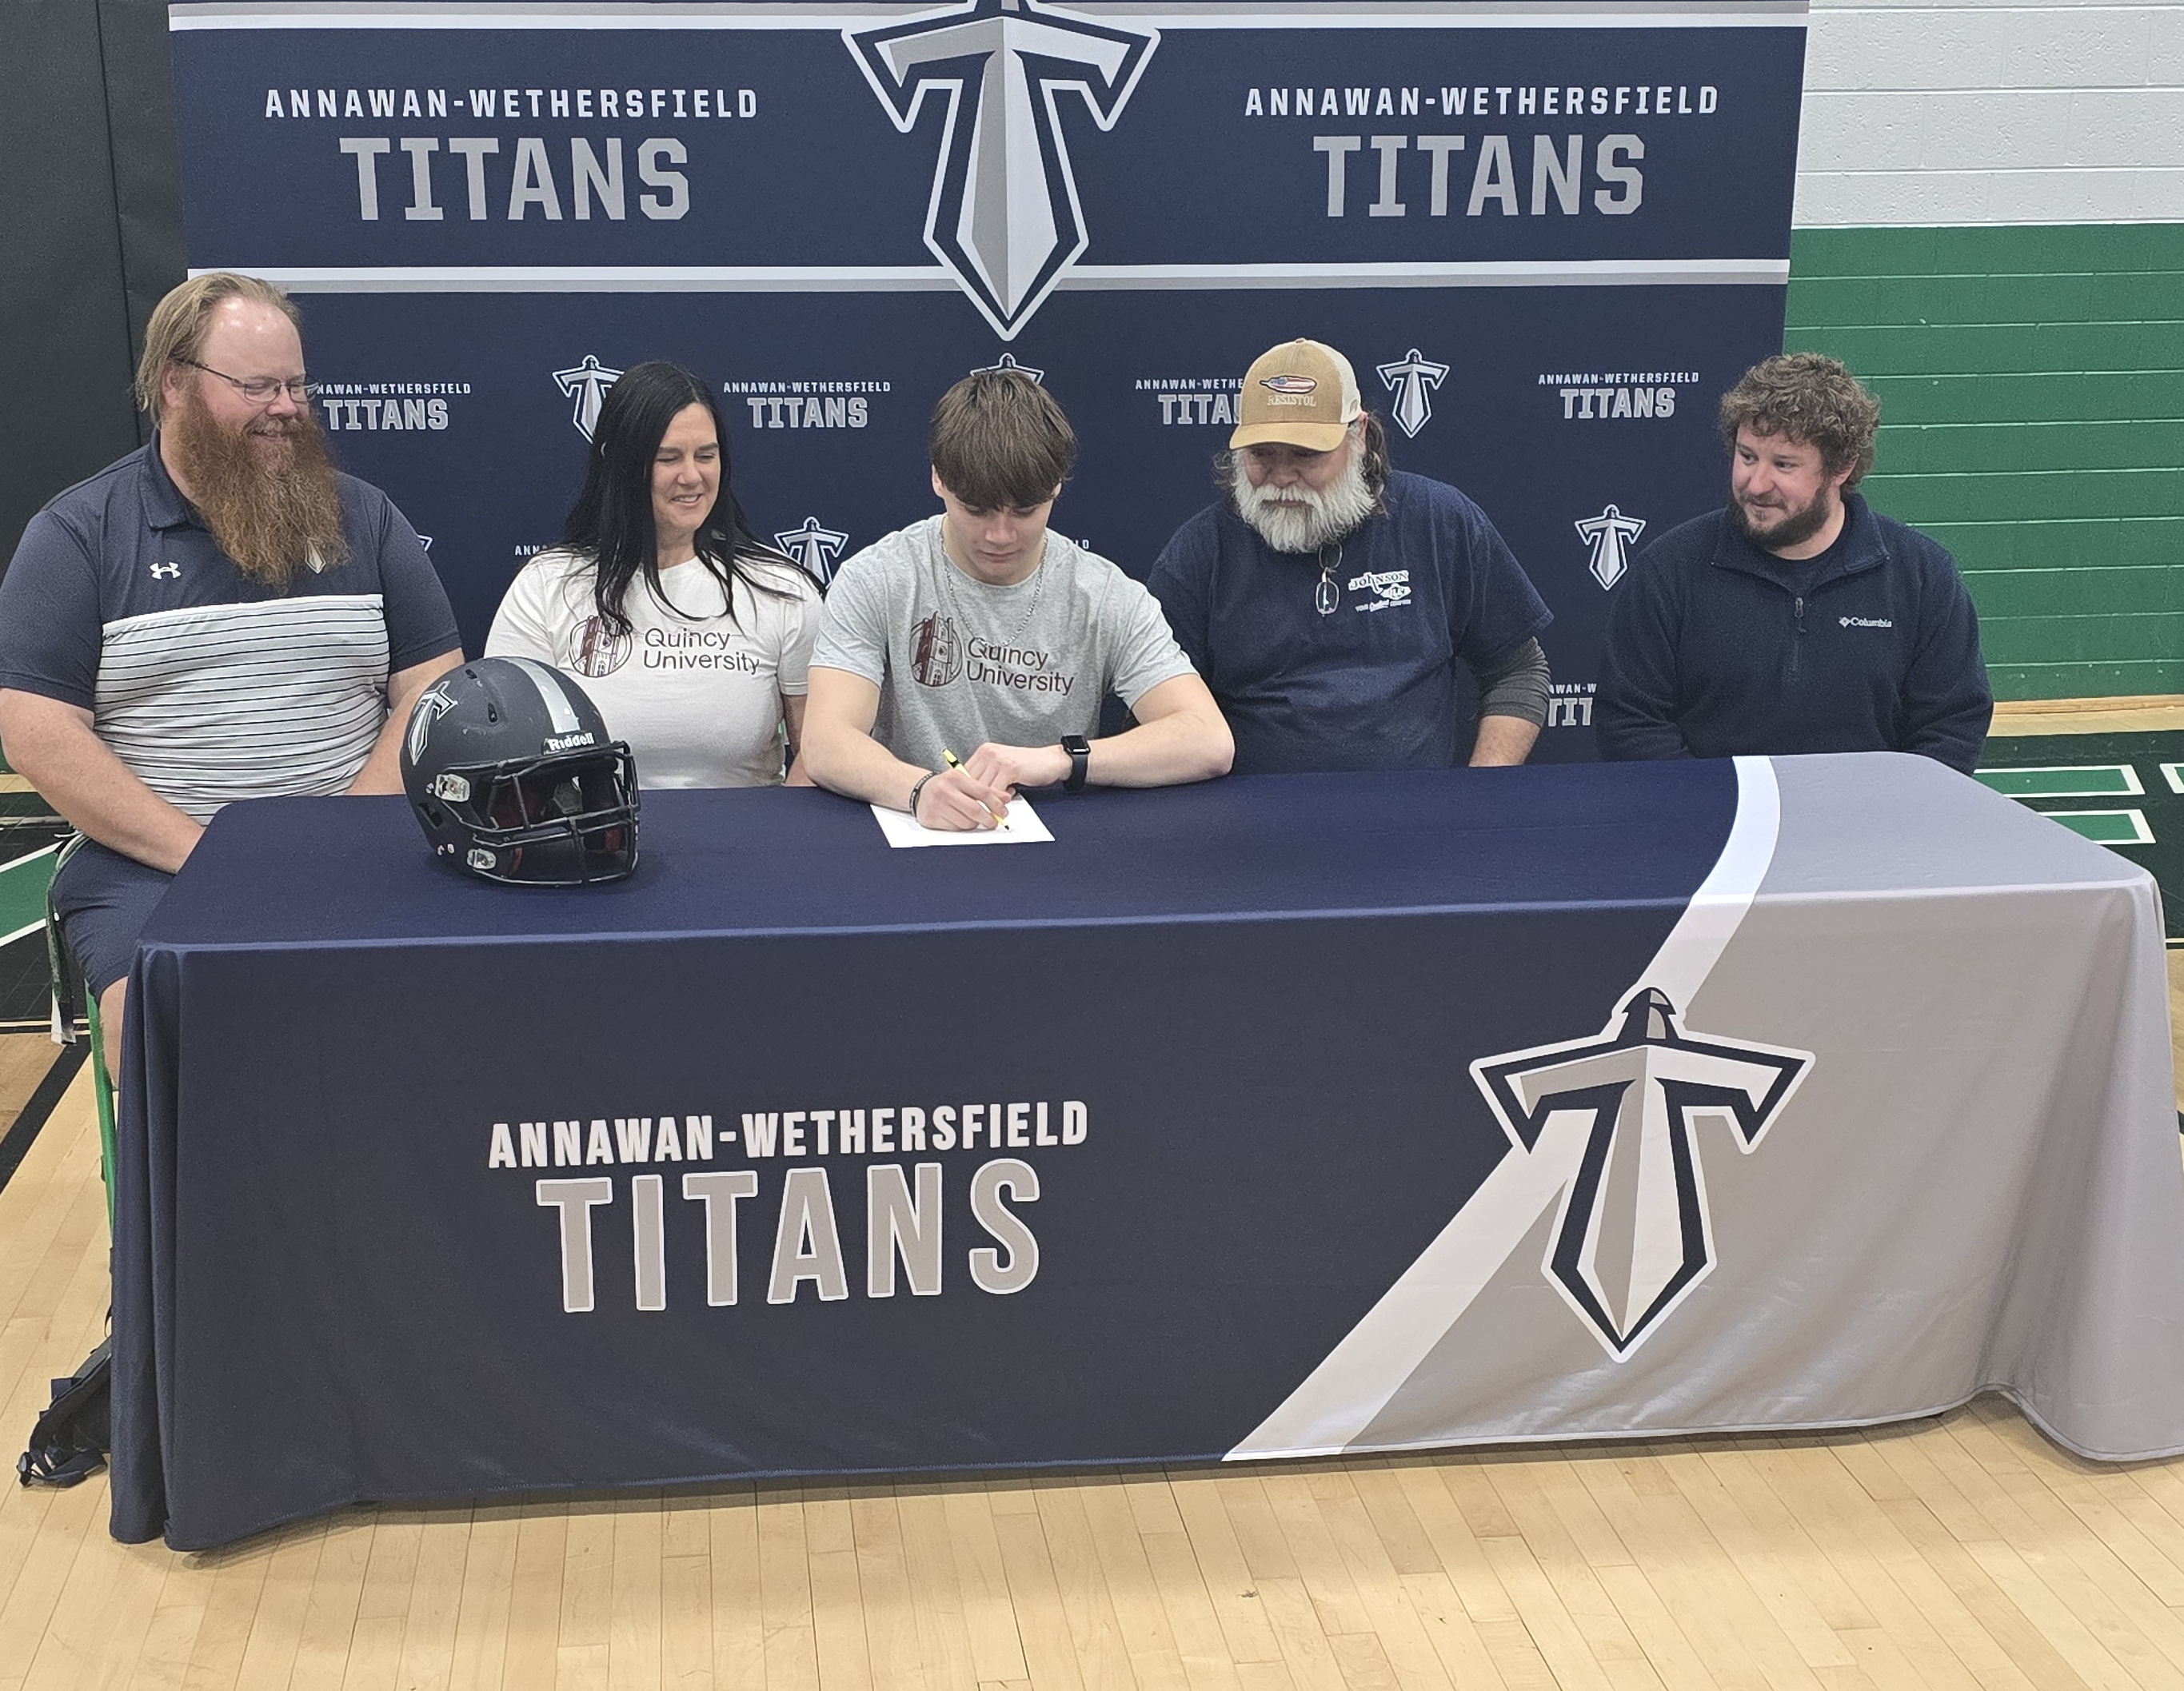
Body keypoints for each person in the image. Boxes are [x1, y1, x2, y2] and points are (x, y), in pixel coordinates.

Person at [0, 273, 463, 1080]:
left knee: (467, 990)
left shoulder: (365, 517)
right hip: (154, 861)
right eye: (257, 387)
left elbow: (431, 682)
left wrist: (342, 832)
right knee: (157, 1016)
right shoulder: (78, 534)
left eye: (296, 385)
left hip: (358, 839)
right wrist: (215, 855)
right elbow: (36, 731)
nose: (286, 407)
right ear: (175, 385)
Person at [801, 369, 1232, 829]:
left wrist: (1061, 760)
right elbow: (825, 741)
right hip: (913, 831)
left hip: (1059, 840)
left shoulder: (1105, 595)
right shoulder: (878, 578)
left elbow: (1208, 740)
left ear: (1057, 487)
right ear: (938, 479)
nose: (1000, 535)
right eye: (976, 509)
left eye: (1025, 511)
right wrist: (919, 789)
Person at [1146, 338, 1552, 775]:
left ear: (1359, 435)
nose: (1281, 477)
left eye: (1305, 454)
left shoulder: (1440, 522)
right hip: (1249, 811)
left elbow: (1519, 669)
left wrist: (1481, 788)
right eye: (1261, 454)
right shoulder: (1203, 550)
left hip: (1414, 810)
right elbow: (1153, 708)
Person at [1595, 353, 1991, 772]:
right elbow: (1630, 722)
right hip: (1718, 811)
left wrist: (1880, 806)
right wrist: (1716, 801)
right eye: (1747, 457)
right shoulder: (1669, 570)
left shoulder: (1922, 577)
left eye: (1783, 465)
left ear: (1841, 468)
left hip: (1869, 813)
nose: (1756, 484)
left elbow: (1952, 728)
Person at [485, 361, 821, 788]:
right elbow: (506, 757)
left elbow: (821, 753)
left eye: (706, 456)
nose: (692, 476)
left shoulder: (782, 590)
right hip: (588, 829)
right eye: (668, 458)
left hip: (751, 830)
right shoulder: (546, 585)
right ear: (620, 464)